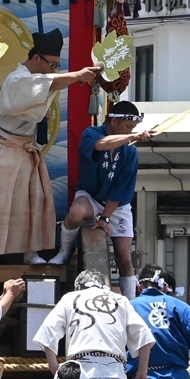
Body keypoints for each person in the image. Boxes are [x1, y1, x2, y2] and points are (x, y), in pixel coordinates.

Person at [0, 29, 97, 262]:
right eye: (52, 64)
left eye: (58, 66)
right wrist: (77, 75)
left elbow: (42, 90)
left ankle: (30, 251)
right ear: (36, 58)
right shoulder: (17, 79)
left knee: (30, 201)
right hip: (4, 146)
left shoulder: (41, 79)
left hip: (26, 148)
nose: (54, 70)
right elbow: (38, 87)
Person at [31, 268, 153, 379]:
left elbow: (47, 333)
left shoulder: (70, 298)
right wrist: (142, 373)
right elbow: (144, 337)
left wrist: (54, 368)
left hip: (78, 377)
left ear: (78, 286)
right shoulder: (120, 300)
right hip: (113, 375)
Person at [46, 101, 152, 293]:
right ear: (113, 121)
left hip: (116, 204)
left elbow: (120, 189)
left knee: (124, 257)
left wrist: (105, 218)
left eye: (133, 128)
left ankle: (130, 303)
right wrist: (132, 136)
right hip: (91, 195)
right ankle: (65, 251)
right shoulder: (91, 133)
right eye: (128, 127)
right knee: (76, 213)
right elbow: (100, 146)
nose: (130, 131)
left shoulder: (130, 151)